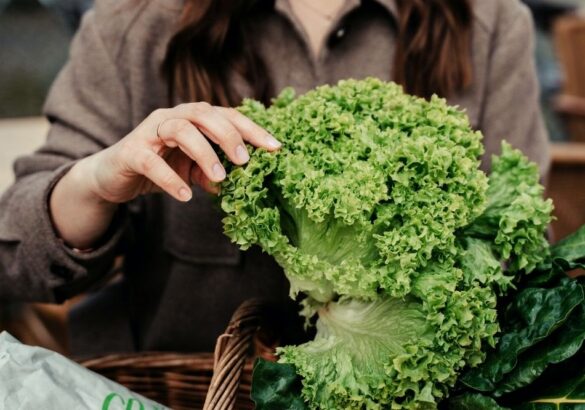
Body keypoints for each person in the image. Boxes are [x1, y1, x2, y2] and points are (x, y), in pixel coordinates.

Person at [0, 0, 549, 355]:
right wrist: (97, 179)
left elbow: (519, 245)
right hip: (180, 392)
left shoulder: (490, 21)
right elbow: (16, 259)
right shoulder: (134, 23)